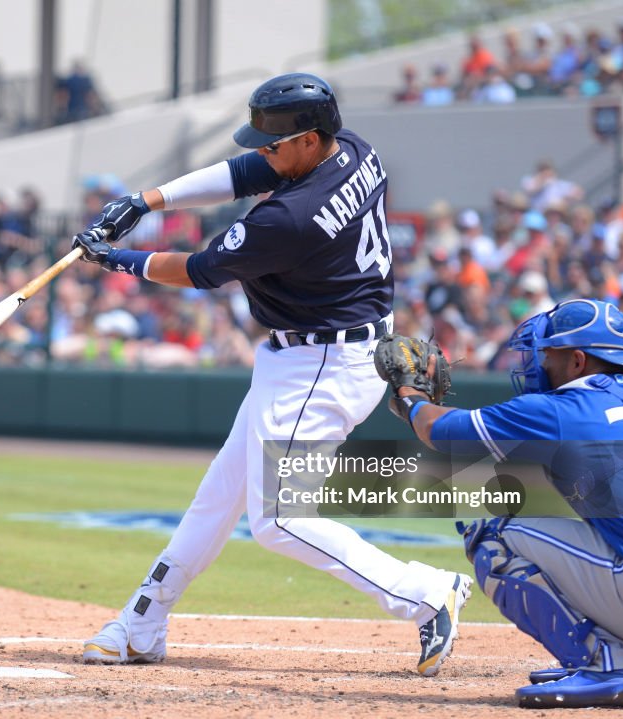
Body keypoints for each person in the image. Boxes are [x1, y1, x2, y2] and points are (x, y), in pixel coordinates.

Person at [71, 72, 471, 674]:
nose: (263, 150)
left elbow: (202, 269)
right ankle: (141, 621)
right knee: (221, 493)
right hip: (320, 352)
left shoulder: (289, 220)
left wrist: (116, 259)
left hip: (322, 363)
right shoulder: (354, 148)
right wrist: (148, 201)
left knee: (281, 520)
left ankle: (423, 593)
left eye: (276, 141)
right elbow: (251, 172)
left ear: (310, 139)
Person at [389, 299, 623, 707]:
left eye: (548, 355)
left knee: (493, 534)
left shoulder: (561, 410)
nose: (539, 365)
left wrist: (409, 393)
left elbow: (438, 429)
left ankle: (603, 663)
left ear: (578, 360)